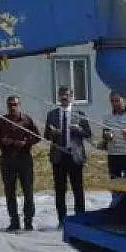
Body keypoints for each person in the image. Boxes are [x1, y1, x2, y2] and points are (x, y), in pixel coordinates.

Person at [44, 86, 92, 227]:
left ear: (72, 96)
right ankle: (62, 220)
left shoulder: (80, 113)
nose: (64, 97)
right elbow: (46, 136)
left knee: (78, 189)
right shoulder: (52, 114)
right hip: (59, 156)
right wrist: (53, 133)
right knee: (60, 189)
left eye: (67, 95)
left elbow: (88, 134)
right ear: (58, 97)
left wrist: (79, 129)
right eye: (62, 95)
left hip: (75, 155)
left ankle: (80, 220)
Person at [0, 95, 41, 231]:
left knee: (28, 190)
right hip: (8, 159)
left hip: (24, 158)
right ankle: (14, 220)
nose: (13, 107)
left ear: (19, 105)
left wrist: (26, 142)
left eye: (15, 104)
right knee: (9, 191)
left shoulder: (26, 119)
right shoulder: (2, 121)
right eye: (10, 105)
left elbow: (37, 137)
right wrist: (3, 141)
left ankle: (28, 220)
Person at [102, 92, 126, 179]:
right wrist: (107, 136)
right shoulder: (107, 117)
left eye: (117, 101)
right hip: (113, 154)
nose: (115, 104)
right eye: (112, 101)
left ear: (124, 100)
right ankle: (116, 193)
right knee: (115, 182)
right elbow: (105, 135)